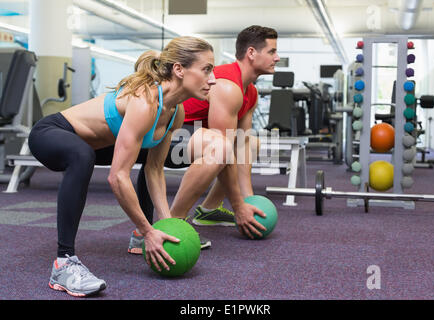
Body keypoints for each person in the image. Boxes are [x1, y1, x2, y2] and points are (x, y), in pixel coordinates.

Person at [28, 36, 216, 297]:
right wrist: (152, 232)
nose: (213, 78)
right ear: (179, 69)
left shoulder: (175, 111)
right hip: (51, 132)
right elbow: (117, 177)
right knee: (83, 156)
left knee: (144, 156)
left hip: (93, 146)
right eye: (207, 69)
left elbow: (154, 169)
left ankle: (142, 234)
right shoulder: (145, 102)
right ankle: (64, 263)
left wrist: (165, 223)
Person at [128, 25, 280, 252]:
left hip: (194, 134)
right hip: (168, 130)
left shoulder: (251, 93)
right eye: (272, 51)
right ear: (251, 53)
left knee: (251, 142)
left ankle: (209, 210)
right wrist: (238, 207)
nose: (277, 58)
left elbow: (242, 144)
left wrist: (248, 200)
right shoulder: (227, 86)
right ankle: (174, 225)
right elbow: (225, 148)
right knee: (221, 147)